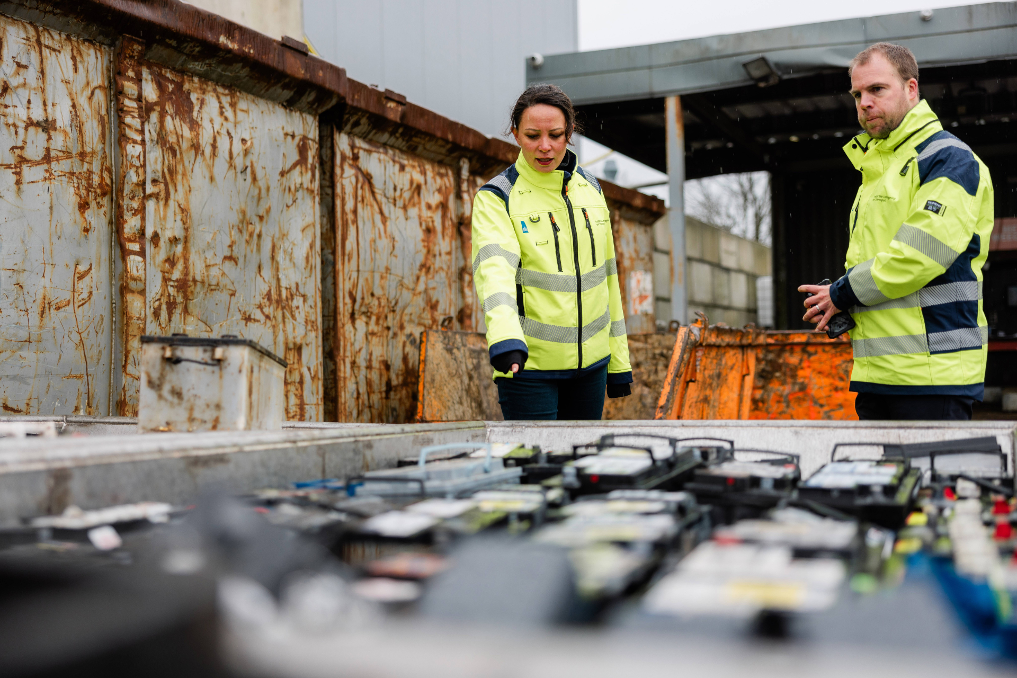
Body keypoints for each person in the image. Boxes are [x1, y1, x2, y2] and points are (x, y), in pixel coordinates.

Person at [800, 43, 994, 421]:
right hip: (879, 376)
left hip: (933, 375)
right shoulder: (880, 169)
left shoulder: (948, 159)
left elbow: (920, 254)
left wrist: (841, 292)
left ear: (911, 88)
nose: (864, 103)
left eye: (877, 89)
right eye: (857, 94)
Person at [471, 84, 632, 420]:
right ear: (515, 134)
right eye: (532, 136)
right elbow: (495, 274)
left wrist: (619, 362)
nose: (544, 146)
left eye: (555, 135)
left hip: (592, 369)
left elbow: (608, 282)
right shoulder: (498, 197)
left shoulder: (591, 189)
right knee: (536, 457)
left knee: (582, 456)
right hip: (528, 367)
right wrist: (505, 338)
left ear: (569, 134)